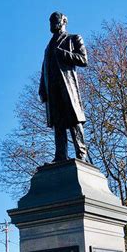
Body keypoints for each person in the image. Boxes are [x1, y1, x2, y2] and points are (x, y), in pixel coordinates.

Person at [39, 12, 88, 162]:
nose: (52, 24)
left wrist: (63, 53)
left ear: (63, 21)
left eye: (55, 20)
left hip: (68, 87)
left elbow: (83, 59)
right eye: (50, 21)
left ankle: (81, 154)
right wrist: (42, 88)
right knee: (58, 123)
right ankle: (60, 155)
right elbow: (44, 69)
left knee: (74, 121)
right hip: (53, 89)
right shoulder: (48, 47)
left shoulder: (73, 38)